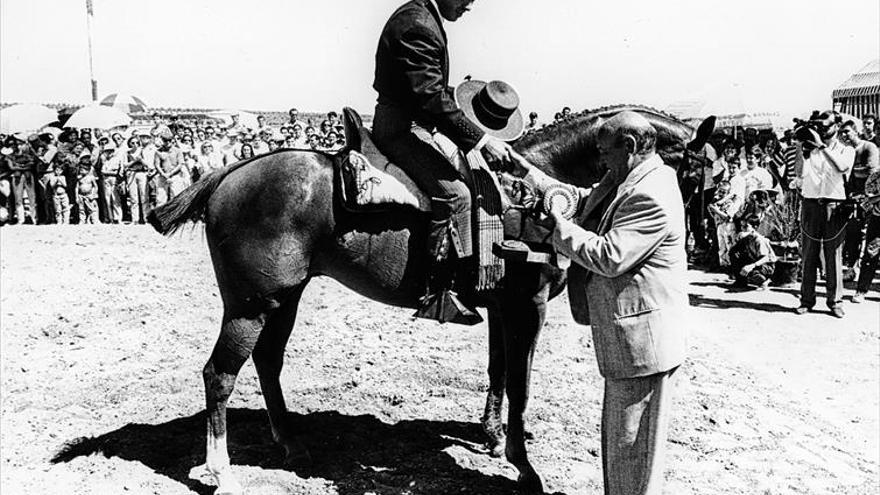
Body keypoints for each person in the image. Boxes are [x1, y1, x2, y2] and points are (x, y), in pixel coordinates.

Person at [512, 111, 687, 495]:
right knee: (623, 452)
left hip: (642, 345)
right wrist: (541, 187)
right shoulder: (639, 176)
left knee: (631, 458)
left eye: (604, 152)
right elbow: (592, 201)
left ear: (629, 146)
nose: (599, 160)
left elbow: (609, 256)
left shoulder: (648, 194)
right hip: (633, 344)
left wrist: (559, 230)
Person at [372, 0, 515, 323]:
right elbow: (428, 95)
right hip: (400, 131)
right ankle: (438, 291)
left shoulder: (424, 18)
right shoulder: (418, 24)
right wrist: (481, 139)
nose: (469, 5)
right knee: (456, 195)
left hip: (414, 124)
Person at [795, 112, 855, 318]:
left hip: (834, 205)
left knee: (833, 254)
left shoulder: (846, 149)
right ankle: (806, 299)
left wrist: (822, 146)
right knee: (809, 253)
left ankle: (835, 301)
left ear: (836, 127)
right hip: (811, 203)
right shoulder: (810, 148)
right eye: (819, 126)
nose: (822, 130)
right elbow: (797, 172)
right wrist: (803, 149)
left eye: (826, 126)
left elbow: (841, 167)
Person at [839, 120, 880, 278]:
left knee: (869, 236)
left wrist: (849, 172)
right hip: (851, 198)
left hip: (869, 199)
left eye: (847, 131)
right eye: (842, 132)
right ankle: (851, 268)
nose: (844, 135)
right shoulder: (845, 150)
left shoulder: (868, 147)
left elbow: (871, 173)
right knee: (852, 233)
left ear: (856, 131)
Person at [853, 161, 880, 303]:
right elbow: (868, 200)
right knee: (870, 255)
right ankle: (861, 290)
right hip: (877, 219)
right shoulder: (875, 177)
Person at [728, 214, 777, 290]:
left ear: (755, 227)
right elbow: (733, 251)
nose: (742, 229)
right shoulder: (745, 238)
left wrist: (751, 266)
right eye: (742, 226)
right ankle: (741, 281)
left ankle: (765, 280)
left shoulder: (759, 240)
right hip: (754, 260)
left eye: (746, 227)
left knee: (754, 274)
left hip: (766, 264)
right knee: (733, 254)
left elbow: (765, 258)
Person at [707, 180, 741, 267]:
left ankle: (733, 266)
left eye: (724, 192)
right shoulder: (717, 201)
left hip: (728, 225)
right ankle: (724, 265)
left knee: (730, 245)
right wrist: (712, 208)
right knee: (722, 247)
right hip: (720, 225)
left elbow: (728, 217)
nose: (721, 193)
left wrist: (716, 210)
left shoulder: (730, 201)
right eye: (720, 191)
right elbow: (712, 215)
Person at [124, 136, 150, 224]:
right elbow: (125, 165)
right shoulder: (127, 153)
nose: (135, 145)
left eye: (137, 143)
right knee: (133, 198)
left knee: (144, 197)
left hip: (141, 173)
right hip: (131, 173)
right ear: (129, 144)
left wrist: (141, 160)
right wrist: (134, 161)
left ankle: (146, 219)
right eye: (132, 143)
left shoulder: (142, 151)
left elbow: (147, 164)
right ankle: (135, 219)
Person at [76, 154, 99, 224]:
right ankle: (82, 220)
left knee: (92, 208)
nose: (81, 171)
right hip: (81, 195)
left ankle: (94, 220)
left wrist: (93, 194)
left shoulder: (91, 174)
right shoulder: (79, 176)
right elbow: (76, 187)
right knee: (81, 209)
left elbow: (95, 186)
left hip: (89, 194)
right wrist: (76, 196)